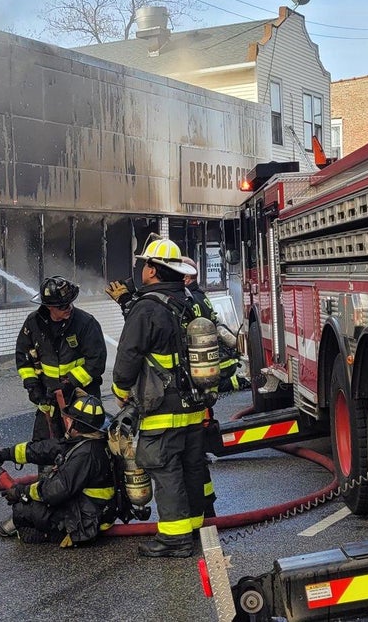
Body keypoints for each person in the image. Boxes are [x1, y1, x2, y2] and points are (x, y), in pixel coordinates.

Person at [111, 238, 212, 558]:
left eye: (145, 265)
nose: (142, 269)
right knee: (192, 467)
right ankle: (195, 526)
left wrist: (120, 390)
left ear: (153, 270)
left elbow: (129, 354)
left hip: (162, 407)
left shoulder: (147, 307)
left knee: (165, 468)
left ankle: (175, 538)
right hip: (194, 406)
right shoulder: (189, 300)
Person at [0, 393, 117, 547]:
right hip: (94, 508)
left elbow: (54, 491)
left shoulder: (85, 454)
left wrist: (22, 491)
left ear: (76, 425)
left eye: (70, 419)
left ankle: (50, 534)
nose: (67, 421)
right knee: (34, 499)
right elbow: (47, 449)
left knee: (24, 509)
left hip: (89, 519)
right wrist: (7, 454)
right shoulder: (89, 440)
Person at [15, 276, 107, 442]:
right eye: (62, 305)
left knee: (82, 449)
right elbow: (24, 357)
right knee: (43, 447)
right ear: (49, 306)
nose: (68, 308)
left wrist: (69, 383)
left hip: (81, 402)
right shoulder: (33, 323)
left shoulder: (85, 323)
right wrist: (32, 385)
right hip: (48, 401)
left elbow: (96, 362)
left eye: (70, 302)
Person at [178, 256, 249, 394]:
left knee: (209, 388)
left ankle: (238, 382)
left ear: (186, 278)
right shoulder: (201, 296)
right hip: (221, 358)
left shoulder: (189, 300)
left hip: (213, 363)